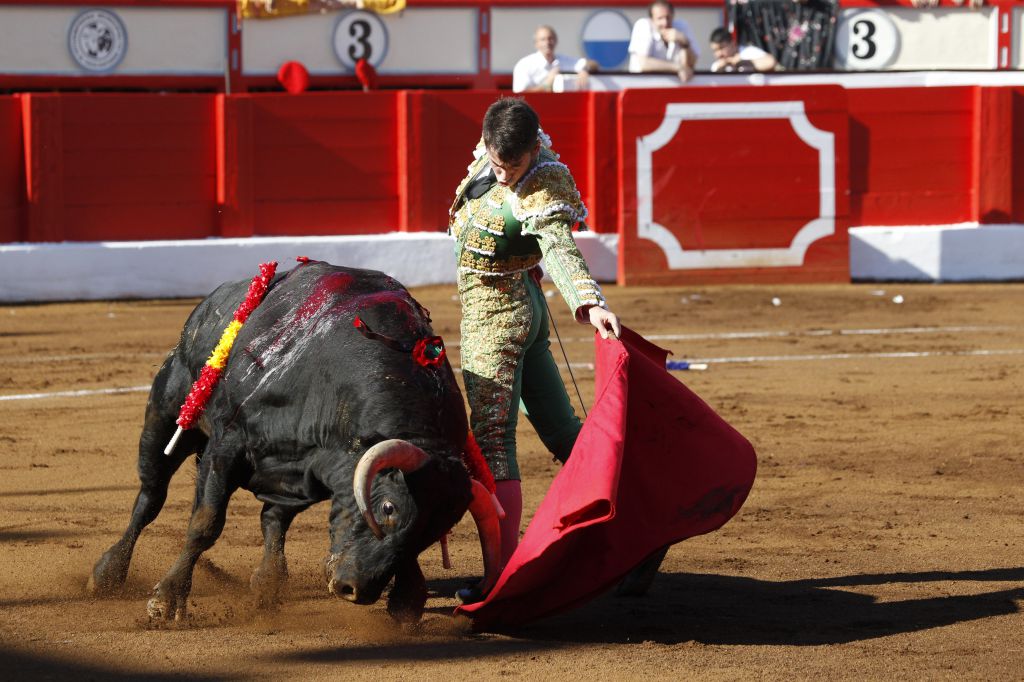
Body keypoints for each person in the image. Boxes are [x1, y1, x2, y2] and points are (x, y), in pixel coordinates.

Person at [448, 98, 621, 602]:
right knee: (562, 428)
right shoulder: (499, 146)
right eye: (497, 164)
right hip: (524, 309)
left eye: (514, 166)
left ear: (532, 149)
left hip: (495, 323)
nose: (503, 176)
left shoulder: (543, 185)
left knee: (493, 444)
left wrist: (589, 303)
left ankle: (498, 576)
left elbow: (559, 246)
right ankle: (630, 527)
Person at [627, 0, 700, 81]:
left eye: (668, 17)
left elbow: (690, 65)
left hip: (672, 89)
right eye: (660, 18)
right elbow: (644, 64)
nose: (665, 23)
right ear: (652, 19)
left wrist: (684, 43)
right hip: (641, 87)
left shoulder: (682, 27)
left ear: (673, 16)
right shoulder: (643, 25)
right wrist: (678, 67)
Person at [512, 25, 595, 93]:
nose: (547, 43)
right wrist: (547, 85)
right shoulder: (525, 65)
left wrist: (585, 69)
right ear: (536, 44)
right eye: (543, 39)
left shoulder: (564, 60)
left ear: (556, 41)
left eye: (550, 38)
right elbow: (520, 94)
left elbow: (593, 64)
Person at [708, 27, 778, 73]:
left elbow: (771, 62)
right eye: (715, 50)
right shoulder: (716, 66)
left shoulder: (748, 52)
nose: (718, 54)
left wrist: (742, 62)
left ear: (733, 43)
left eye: (721, 48)